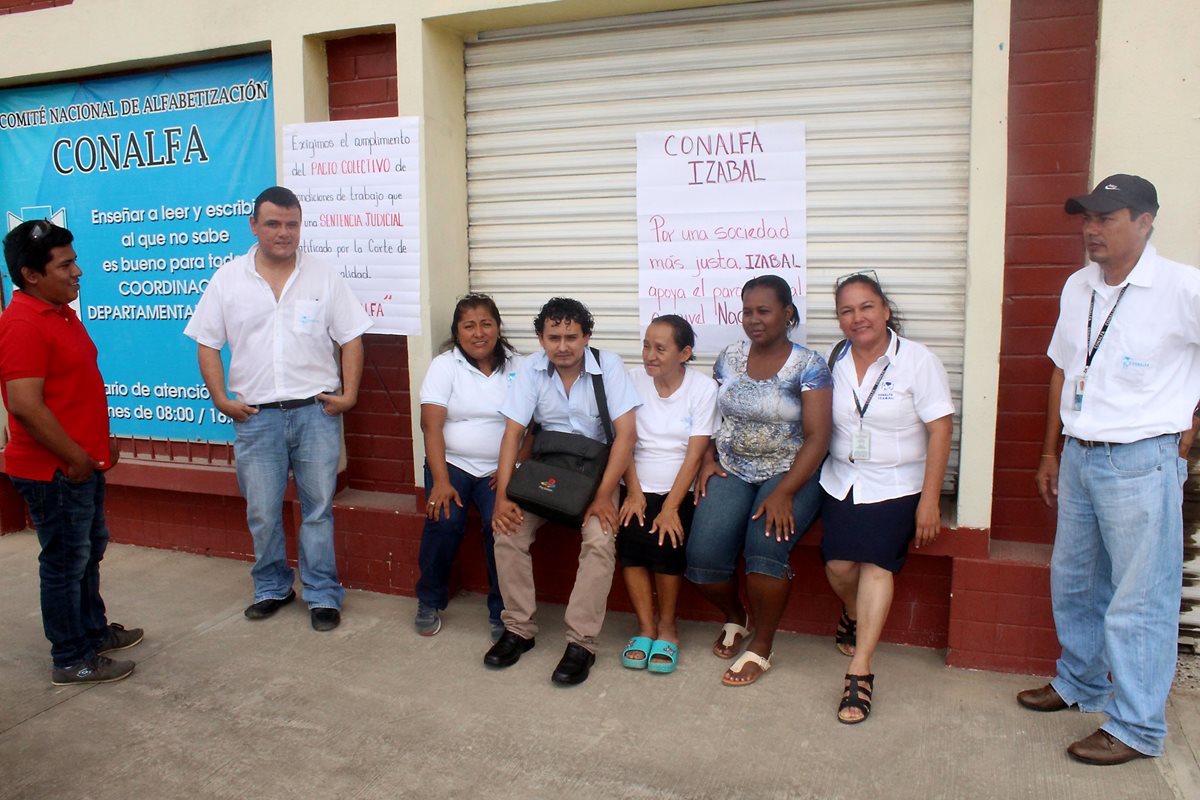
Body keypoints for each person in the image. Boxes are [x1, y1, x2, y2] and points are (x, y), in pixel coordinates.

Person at [1018, 174, 1200, 765]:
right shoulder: (1079, 285)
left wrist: (1188, 425)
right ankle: (1081, 683)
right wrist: (1050, 451)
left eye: (1107, 218)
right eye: (1086, 218)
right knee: (1074, 581)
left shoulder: (1181, 288)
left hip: (1140, 461)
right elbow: (1063, 370)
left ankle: (1137, 727)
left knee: (1138, 601)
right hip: (1079, 455)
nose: (1091, 229)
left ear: (1146, 221)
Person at [184, 186, 371, 632]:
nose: (283, 233)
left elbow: (352, 338)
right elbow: (207, 343)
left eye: (291, 224)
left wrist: (349, 394)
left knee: (318, 508)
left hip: (316, 414)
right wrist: (220, 398)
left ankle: (323, 593)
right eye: (273, 223)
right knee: (263, 510)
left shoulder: (323, 276)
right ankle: (271, 586)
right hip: (257, 417)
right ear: (254, 225)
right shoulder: (228, 278)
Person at [0, 220, 143, 684]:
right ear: (31, 274)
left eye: (74, 259)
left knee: (87, 551)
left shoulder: (60, 312)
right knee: (64, 563)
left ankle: (93, 631)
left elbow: (72, 390)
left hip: (80, 464)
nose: (78, 271)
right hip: (55, 471)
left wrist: (98, 445)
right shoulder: (22, 323)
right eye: (65, 264)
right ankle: (71, 657)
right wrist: (76, 457)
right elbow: (24, 404)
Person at [818, 271, 953, 723]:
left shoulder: (918, 361)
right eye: (847, 311)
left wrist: (930, 500)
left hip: (897, 485)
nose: (858, 318)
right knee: (837, 567)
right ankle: (853, 613)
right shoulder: (834, 360)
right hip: (842, 480)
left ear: (886, 310)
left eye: (866, 307)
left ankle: (861, 673)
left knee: (876, 567)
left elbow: (940, 430)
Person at [485, 297, 640, 685]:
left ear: (587, 336)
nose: (563, 346)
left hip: (595, 476)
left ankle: (581, 642)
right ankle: (519, 628)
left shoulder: (610, 367)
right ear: (541, 338)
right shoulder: (531, 370)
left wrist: (605, 495)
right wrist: (503, 495)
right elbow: (512, 434)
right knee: (507, 531)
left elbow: (626, 436)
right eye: (554, 337)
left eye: (572, 336)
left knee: (600, 539)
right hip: (547, 471)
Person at [687, 274, 832, 686]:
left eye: (764, 311)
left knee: (764, 547)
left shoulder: (808, 365)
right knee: (702, 559)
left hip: (791, 470)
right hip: (732, 467)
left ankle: (762, 643)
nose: (754, 319)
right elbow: (712, 415)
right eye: (747, 311)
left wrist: (786, 491)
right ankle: (737, 616)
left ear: (787, 314)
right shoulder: (728, 357)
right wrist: (707, 459)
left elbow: (820, 436)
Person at [415, 293, 519, 641]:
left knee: (501, 526)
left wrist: (515, 465)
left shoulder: (518, 366)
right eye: (469, 326)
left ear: (498, 327)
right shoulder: (445, 366)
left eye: (486, 324)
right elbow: (430, 425)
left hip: (500, 468)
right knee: (445, 520)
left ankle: (501, 610)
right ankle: (429, 599)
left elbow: (533, 425)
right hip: (452, 464)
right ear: (457, 332)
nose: (479, 333)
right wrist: (440, 481)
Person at [617, 315, 717, 674]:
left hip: (679, 484)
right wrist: (633, 491)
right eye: (646, 345)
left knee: (667, 544)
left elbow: (695, 453)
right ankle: (645, 627)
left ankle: (668, 628)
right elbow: (624, 441)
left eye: (660, 348)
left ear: (685, 352)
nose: (649, 355)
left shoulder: (703, 389)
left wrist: (672, 506)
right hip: (636, 482)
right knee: (631, 547)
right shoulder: (629, 380)